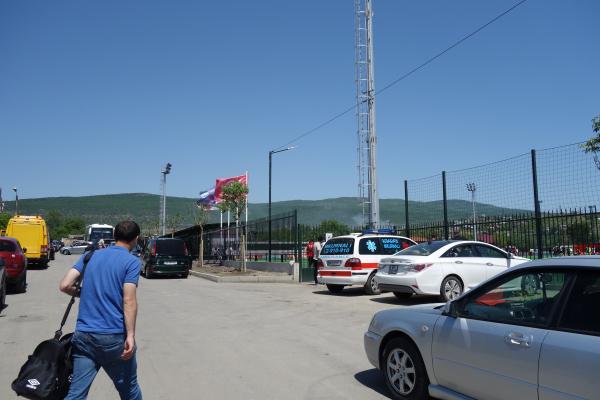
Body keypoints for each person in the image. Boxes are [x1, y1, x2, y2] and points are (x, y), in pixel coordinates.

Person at [59, 221, 143, 400]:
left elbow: (65, 285)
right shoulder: (131, 262)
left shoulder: (90, 256)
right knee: (129, 390)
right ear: (136, 239)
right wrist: (130, 336)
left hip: (83, 336)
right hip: (113, 337)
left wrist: (84, 292)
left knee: (76, 393)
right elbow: (129, 300)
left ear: (114, 236)